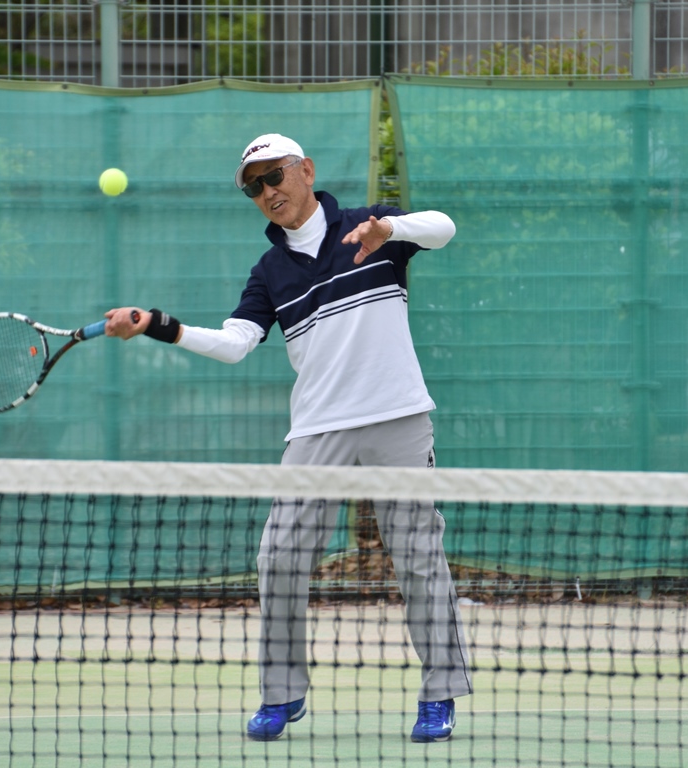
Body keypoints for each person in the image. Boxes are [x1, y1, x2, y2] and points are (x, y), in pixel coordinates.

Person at [104, 134, 473, 743]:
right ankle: (281, 694)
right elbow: (235, 343)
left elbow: (444, 228)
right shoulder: (269, 272)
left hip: (397, 415)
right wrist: (157, 326)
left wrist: (390, 229)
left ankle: (440, 693)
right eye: (254, 186)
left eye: (274, 176)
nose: (267, 191)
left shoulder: (370, 227)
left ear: (305, 170)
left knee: (418, 556)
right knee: (278, 557)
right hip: (316, 430)